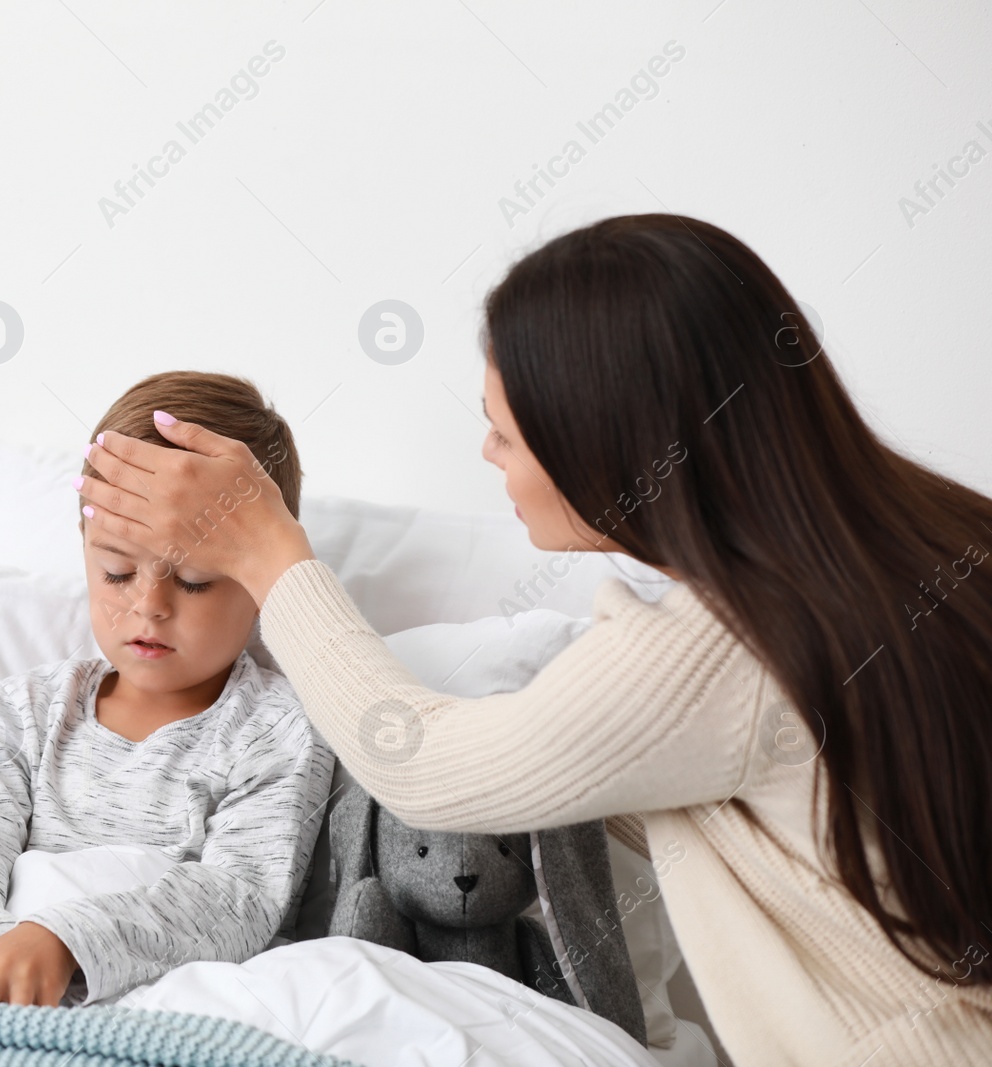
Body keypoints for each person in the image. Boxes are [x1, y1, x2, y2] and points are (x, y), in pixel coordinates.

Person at [74, 215, 992, 1064]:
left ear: (606, 444)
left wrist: (273, 557)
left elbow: (425, 765)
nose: (489, 456)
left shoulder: (726, 648)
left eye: (505, 432)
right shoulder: (938, 538)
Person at [0, 370, 333, 1009]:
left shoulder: (280, 727)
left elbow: (240, 897)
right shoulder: (26, 711)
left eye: (192, 581)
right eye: (116, 571)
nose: (149, 605)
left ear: (263, 579)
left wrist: (59, 942)